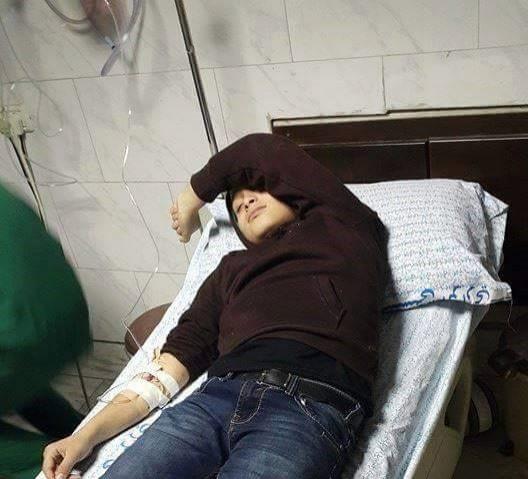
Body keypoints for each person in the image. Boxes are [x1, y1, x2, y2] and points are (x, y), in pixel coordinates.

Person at [42, 133, 388, 479]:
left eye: (256, 190)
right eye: (236, 206)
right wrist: (83, 437)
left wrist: (190, 199)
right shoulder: (231, 269)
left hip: (307, 404)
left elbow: (259, 151)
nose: (245, 202)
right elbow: (168, 367)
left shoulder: (342, 225)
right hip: (213, 401)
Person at [0, 182, 90, 479]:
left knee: (13, 370)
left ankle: (50, 468)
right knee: (22, 385)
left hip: (14, 330)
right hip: (64, 309)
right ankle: (89, 435)